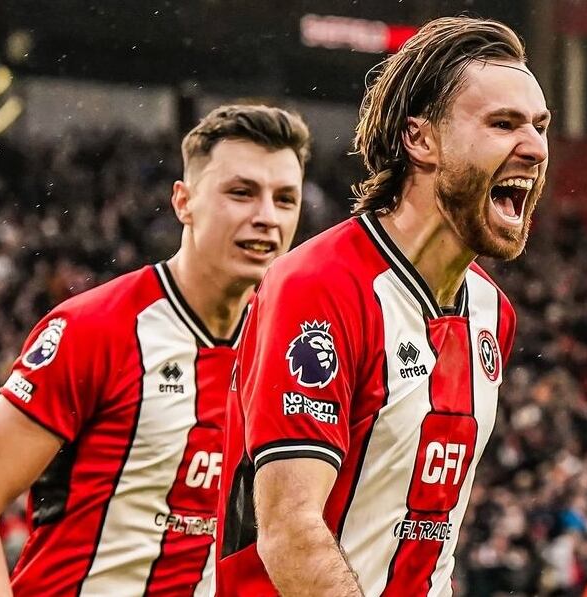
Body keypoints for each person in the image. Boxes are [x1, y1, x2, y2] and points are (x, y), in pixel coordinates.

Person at [216, 16, 550, 597]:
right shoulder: (319, 286)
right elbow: (291, 532)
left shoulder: (493, 315)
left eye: (539, 127)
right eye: (503, 124)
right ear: (420, 140)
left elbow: (425, 542)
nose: (535, 147)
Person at [0, 104, 311, 597]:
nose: (265, 217)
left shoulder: (290, 353)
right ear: (184, 201)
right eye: (241, 193)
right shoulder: (96, 329)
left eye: (285, 199)